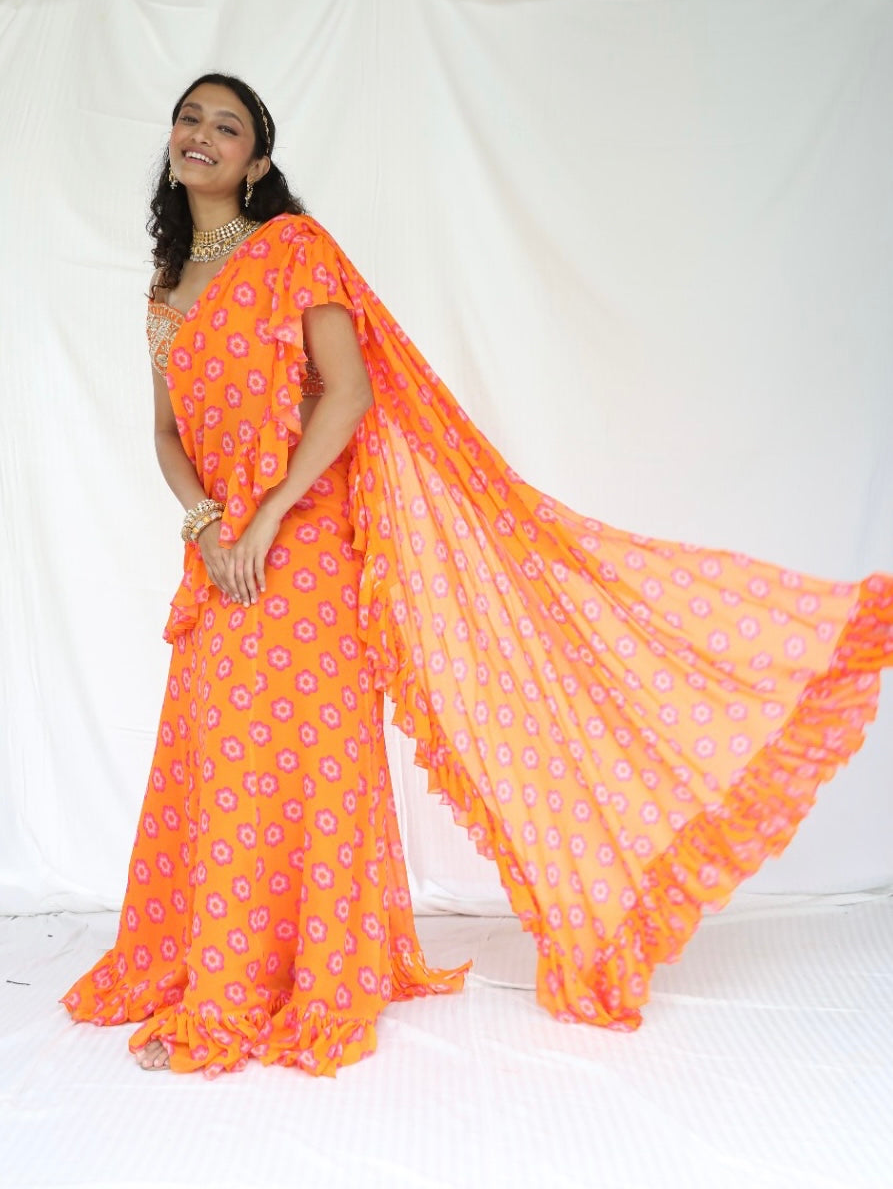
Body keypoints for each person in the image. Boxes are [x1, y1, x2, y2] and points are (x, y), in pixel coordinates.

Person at [61, 73, 893, 1077]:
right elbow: (163, 431)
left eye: (226, 127)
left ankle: (290, 976)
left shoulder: (293, 252)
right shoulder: (163, 291)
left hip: (306, 549)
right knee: (222, 754)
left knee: (308, 755)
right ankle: (229, 960)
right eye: (191, 119)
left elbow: (351, 394)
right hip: (217, 554)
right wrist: (202, 520)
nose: (201, 135)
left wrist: (270, 511)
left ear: (258, 161)